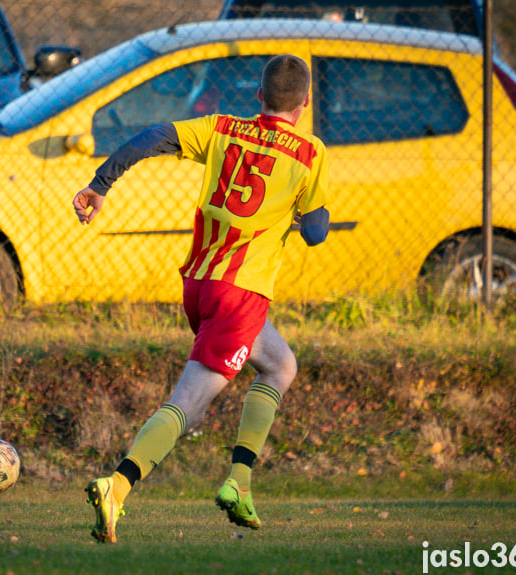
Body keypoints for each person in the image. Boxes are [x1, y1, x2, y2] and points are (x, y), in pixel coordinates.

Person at [72, 54, 329, 543]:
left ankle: (239, 484)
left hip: (200, 285)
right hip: (241, 294)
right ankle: (118, 485)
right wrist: (303, 219)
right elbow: (316, 231)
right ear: (306, 102)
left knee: (280, 365)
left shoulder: (222, 127)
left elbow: (151, 137)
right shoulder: (310, 152)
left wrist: (100, 183)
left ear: (259, 96)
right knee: (188, 406)